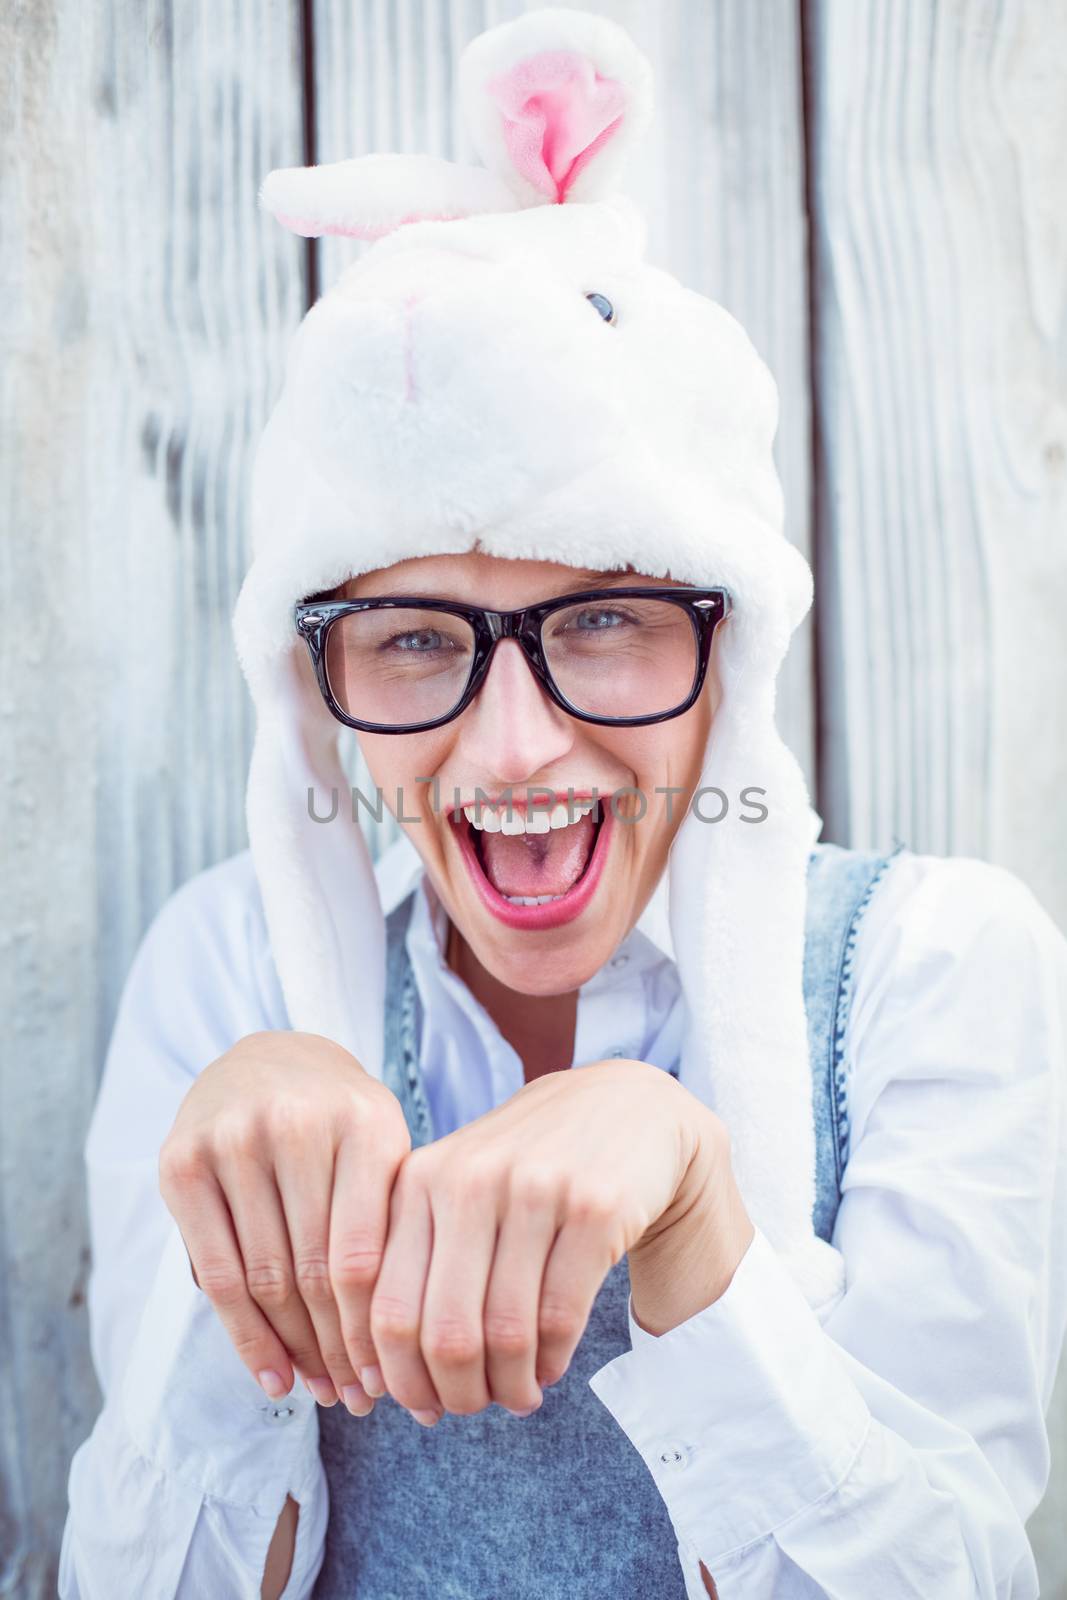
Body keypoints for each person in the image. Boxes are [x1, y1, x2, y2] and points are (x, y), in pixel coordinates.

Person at [60, 9, 1067, 1599]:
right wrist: (226, 1276)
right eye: (413, 640)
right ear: (311, 685)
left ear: (725, 644)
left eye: (601, 620)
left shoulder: (930, 972)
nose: (516, 749)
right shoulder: (222, 975)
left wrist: (696, 1228)